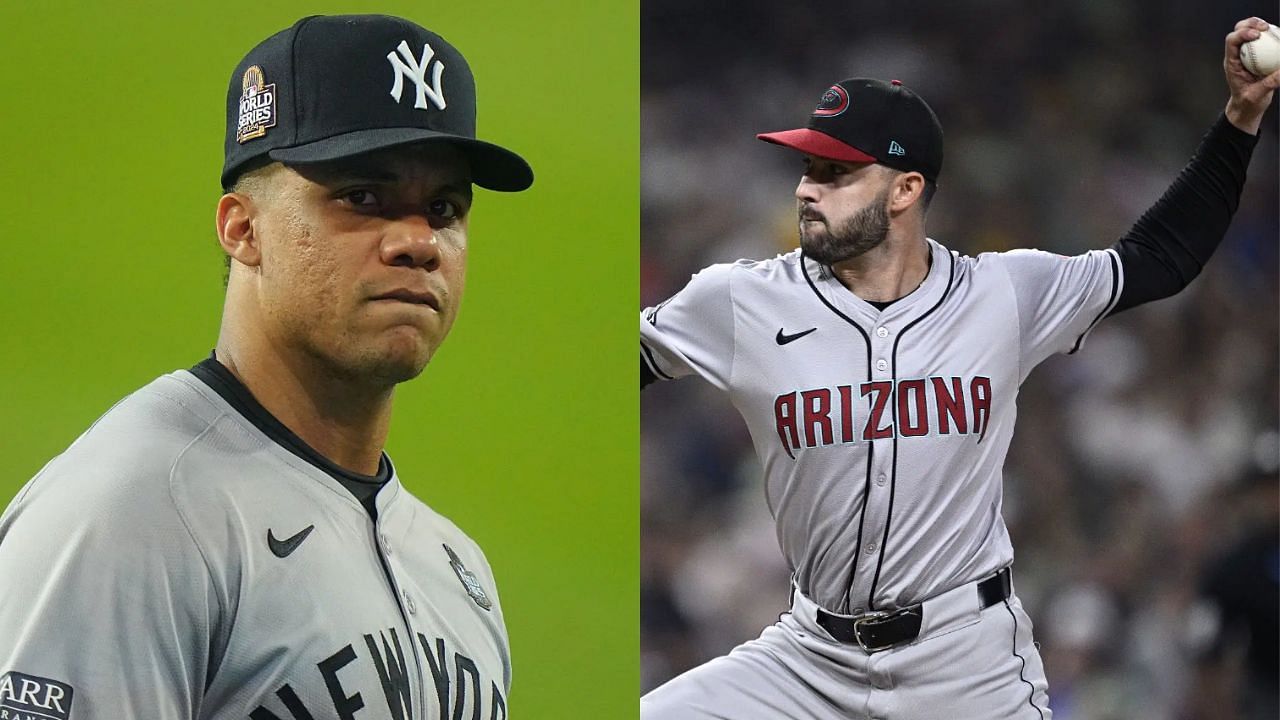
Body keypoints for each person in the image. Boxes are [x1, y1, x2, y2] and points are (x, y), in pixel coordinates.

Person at [639, 18, 1277, 719]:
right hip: (807, 660)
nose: (807, 190)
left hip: (965, 663)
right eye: (807, 168)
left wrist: (1239, 119)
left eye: (837, 172)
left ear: (906, 189)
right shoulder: (740, 300)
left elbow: (1161, 258)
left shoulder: (1002, 294)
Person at [0, 14, 530, 719]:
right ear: (242, 229)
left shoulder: (457, 568)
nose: (418, 242)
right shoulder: (133, 515)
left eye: (444, 208)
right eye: (362, 198)